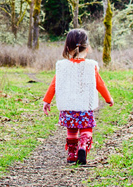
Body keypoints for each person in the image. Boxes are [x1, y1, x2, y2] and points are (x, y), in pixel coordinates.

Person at [42, 28, 114, 165]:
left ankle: (72, 153)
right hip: (85, 106)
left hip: (68, 106)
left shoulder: (62, 66)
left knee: (72, 129)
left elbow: (54, 84)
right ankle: (83, 146)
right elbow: (100, 84)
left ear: (67, 48)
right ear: (87, 48)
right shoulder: (91, 66)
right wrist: (108, 98)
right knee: (86, 128)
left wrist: (47, 101)